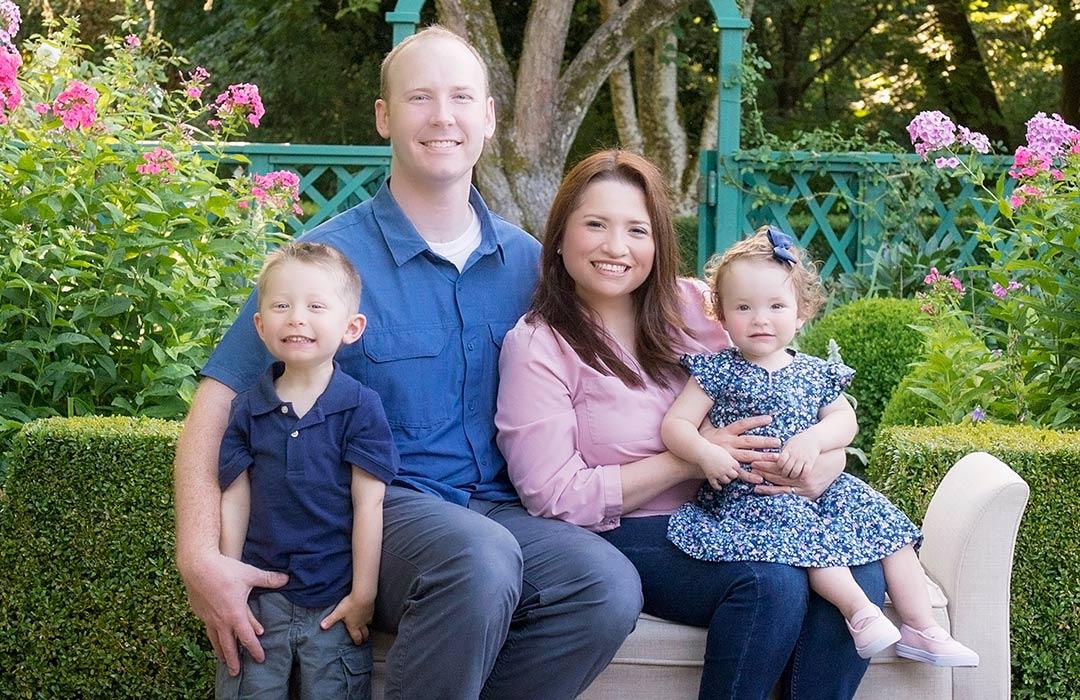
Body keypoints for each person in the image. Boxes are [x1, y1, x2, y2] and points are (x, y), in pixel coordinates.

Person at [174, 26, 643, 699]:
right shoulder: (325, 264)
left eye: (461, 98)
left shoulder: (532, 265)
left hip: (499, 515)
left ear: (488, 118)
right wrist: (199, 557)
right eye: (420, 97)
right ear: (385, 117)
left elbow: (635, 340)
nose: (442, 117)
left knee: (604, 585)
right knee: (477, 559)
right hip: (368, 517)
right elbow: (215, 408)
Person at [495, 149, 887, 700]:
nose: (616, 246)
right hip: (632, 528)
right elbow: (553, 495)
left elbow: (787, 388)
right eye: (595, 225)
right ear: (559, 237)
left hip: (743, 507)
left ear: (657, 242)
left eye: (637, 229)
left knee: (861, 574)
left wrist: (826, 460)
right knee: (767, 581)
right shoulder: (538, 346)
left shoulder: (695, 306)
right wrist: (689, 456)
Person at [661, 226, 980, 667]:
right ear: (721, 315)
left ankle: (921, 628)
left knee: (889, 527)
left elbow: (844, 421)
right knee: (800, 532)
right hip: (754, 494)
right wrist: (704, 452)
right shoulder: (717, 370)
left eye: (776, 306)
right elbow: (676, 423)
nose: (760, 319)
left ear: (801, 313)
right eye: (743, 307)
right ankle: (860, 613)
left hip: (817, 486)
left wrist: (814, 438)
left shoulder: (814, 371)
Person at [215, 241, 399, 698]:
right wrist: (229, 577)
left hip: (333, 602)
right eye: (281, 305)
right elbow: (235, 496)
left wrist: (364, 595)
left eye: (316, 305)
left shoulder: (360, 407)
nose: (297, 317)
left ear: (351, 327)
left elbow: (369, 504)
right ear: (259, 325)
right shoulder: (247, 409)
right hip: (260, 600)